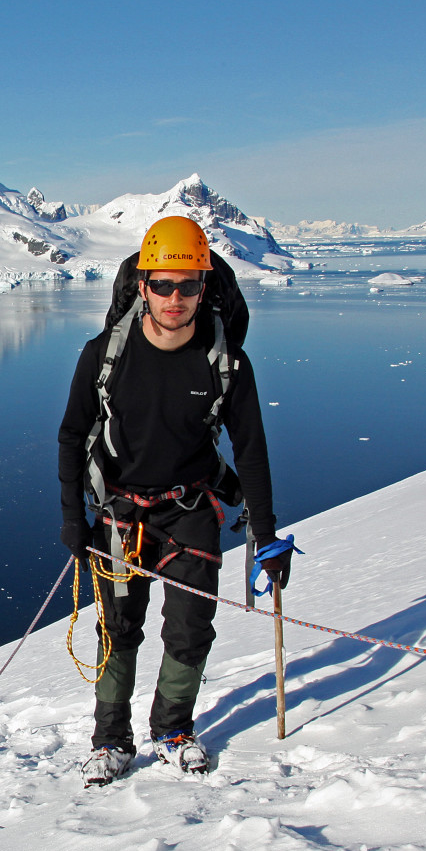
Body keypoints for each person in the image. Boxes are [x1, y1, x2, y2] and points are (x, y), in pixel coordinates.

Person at [57, 216, 291, 786]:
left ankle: (174, 729)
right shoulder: (104, 355)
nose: (174, 298)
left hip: (191, 512)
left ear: (204, 287)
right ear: (142, 285)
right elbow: (72, 434)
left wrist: (264, 533)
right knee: (117, 630)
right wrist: (72, 517)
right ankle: (111, 740)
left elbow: (252, 451)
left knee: (191, 629)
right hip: (122, 515)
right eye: (162, 284)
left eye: (188, 286)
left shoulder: (227, 363)